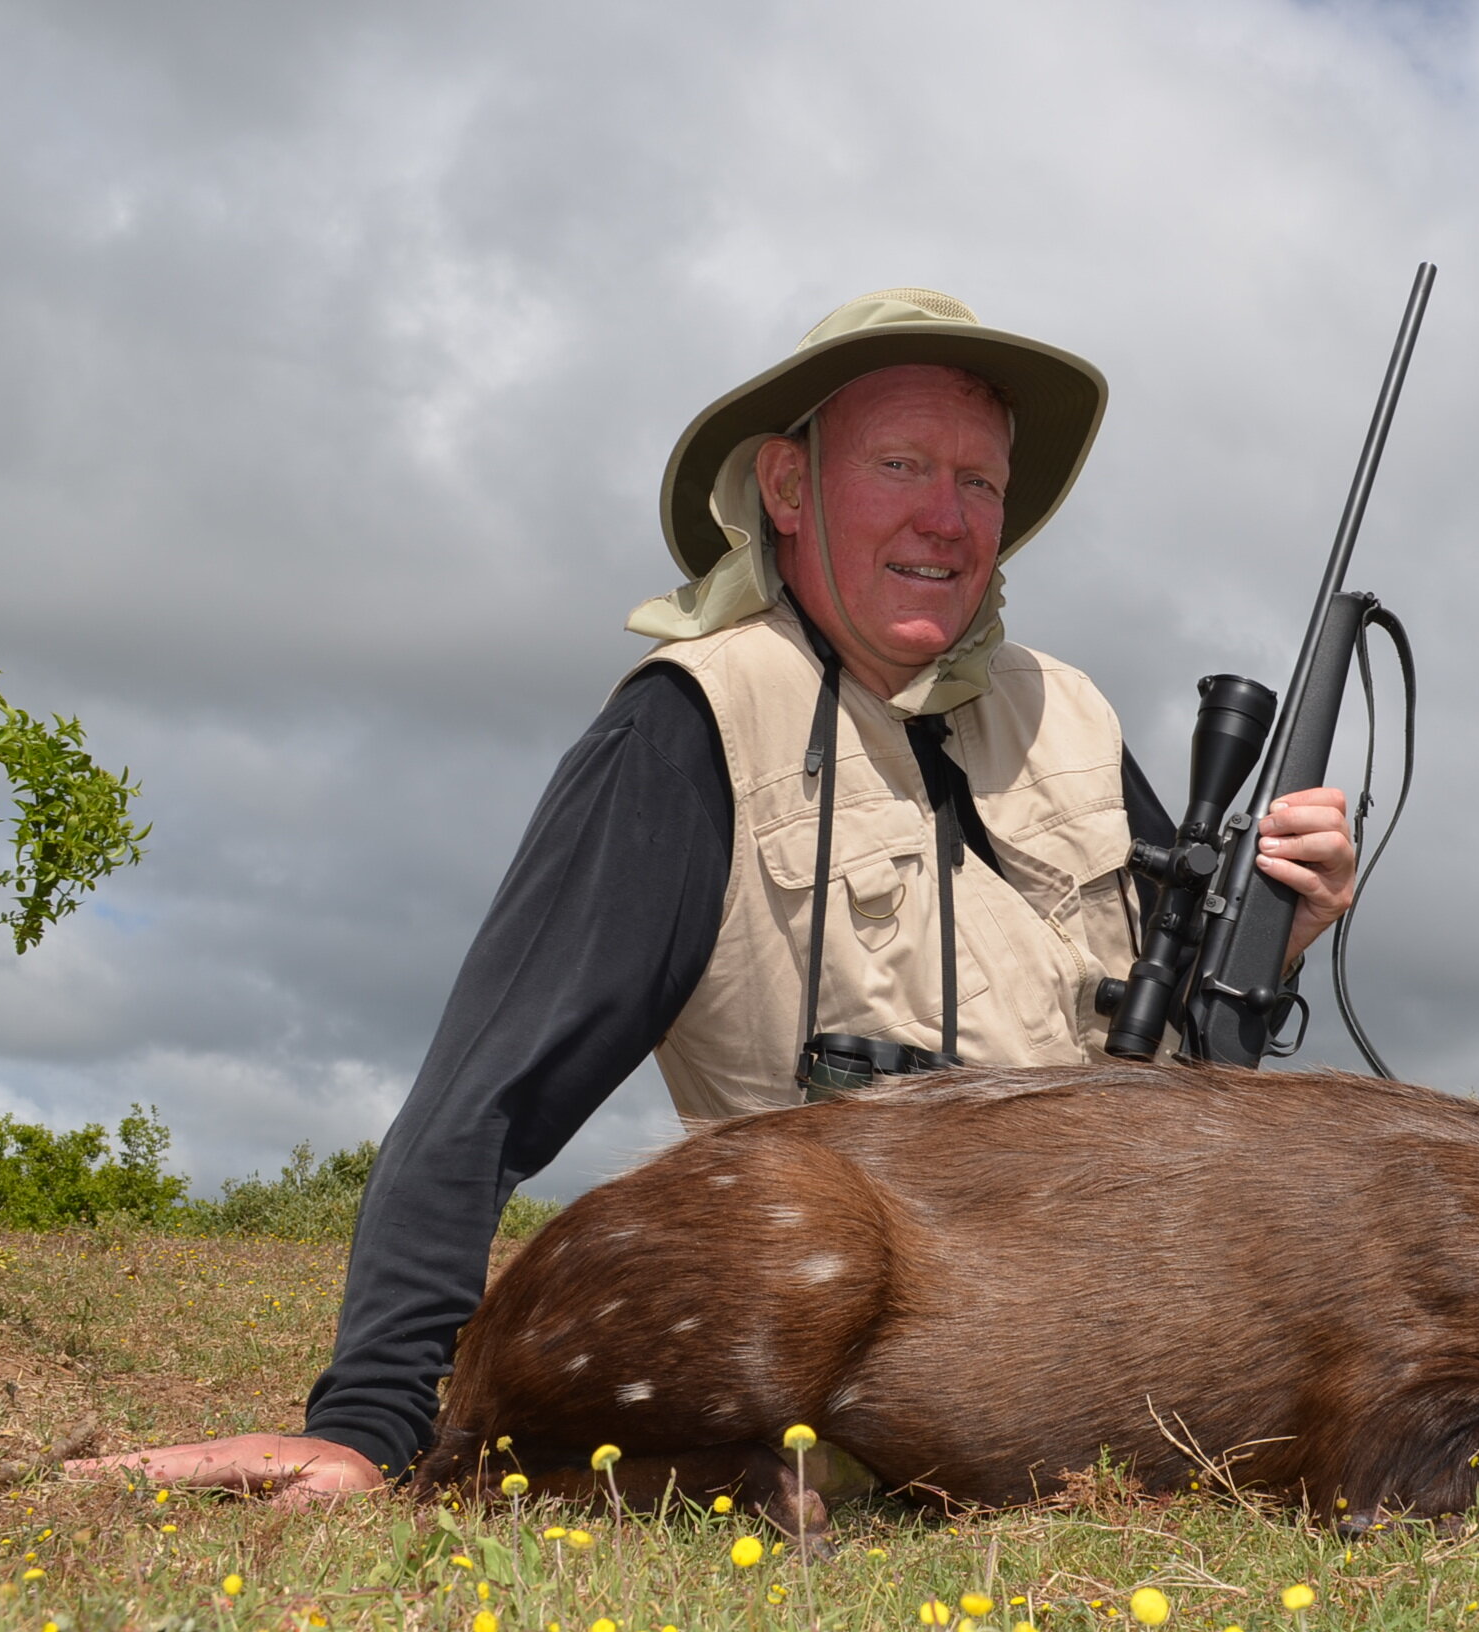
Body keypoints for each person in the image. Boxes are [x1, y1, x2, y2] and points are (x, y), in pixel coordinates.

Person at [70, 289, 1356, 1501]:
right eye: (902, 466)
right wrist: (366, 1425)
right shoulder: (693, 722)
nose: (949, 518)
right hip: (887, 1373)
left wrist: (1275, 941)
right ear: (787, 487)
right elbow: (483, 1100)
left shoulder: (1068, 714)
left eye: (979, 483)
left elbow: (1188, 1090)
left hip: (1151, 1360)